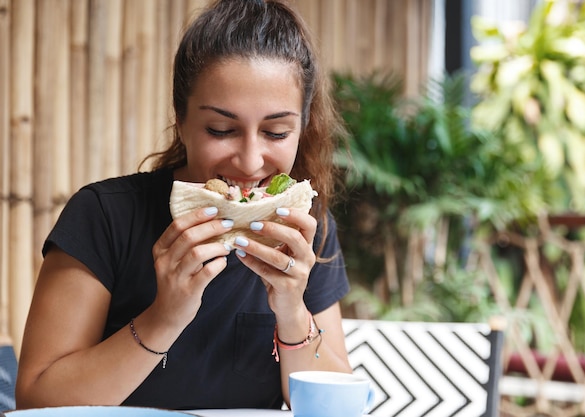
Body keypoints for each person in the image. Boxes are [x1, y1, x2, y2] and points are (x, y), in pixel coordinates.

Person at [15, 0, 352, 410]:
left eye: (276, 132)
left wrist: (292, 310)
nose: (249, 160)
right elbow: (37, 401)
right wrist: (165, 316)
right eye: (221, 129)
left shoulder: (306, 229)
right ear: (181, 119)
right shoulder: (104, 216)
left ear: (302, 128)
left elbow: (334, 408)